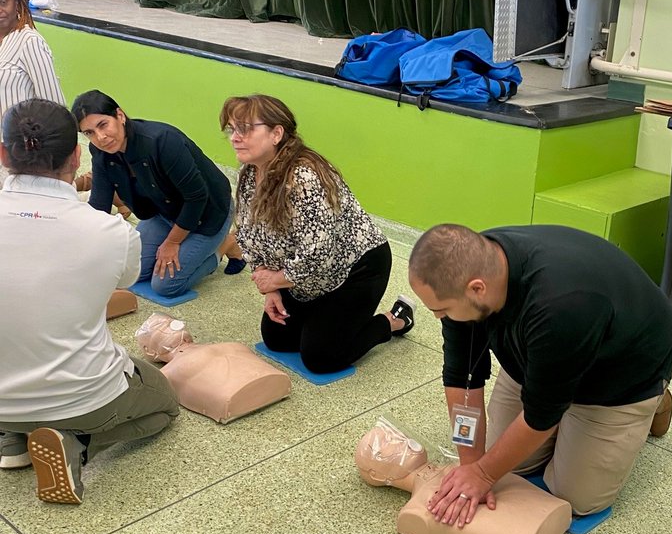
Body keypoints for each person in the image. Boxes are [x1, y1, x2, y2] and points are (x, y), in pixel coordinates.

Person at [407, 223, 672, 528]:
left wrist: (484, 474)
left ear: (477, 288)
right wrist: (472, 465)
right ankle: (558, 402)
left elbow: (541, 414)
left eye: (441, 310)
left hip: (621, 373)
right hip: (541, 361)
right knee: (512, 467)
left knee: (576, 498)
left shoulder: (559, 305)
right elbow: (461, 380)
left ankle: (655, 399)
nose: (437, 317)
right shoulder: (463, 272)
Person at [0, 99, 180, 504]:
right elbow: (126, 280)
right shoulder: (112, 233)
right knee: (164, 406)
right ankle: (77, 443)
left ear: (3, 154)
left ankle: (12, 438)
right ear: (78, 154)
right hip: (83, 398)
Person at [220, 94, 414, 373]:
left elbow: (318, 251)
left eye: (245, 129)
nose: (235, 138)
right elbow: (248, 233)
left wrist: (276, 278)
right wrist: (271, 287)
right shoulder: (250, 172)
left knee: (321, 358)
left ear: (277, 133)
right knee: (277, 338)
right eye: (232, 130)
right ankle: (326, 317)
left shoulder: (306, 177)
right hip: (306, 275)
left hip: (356, 269)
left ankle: (394, 319)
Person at [72, 90, 241, 299]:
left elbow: (197, 197)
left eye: (103, 125)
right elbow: (99, 206)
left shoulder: (162, 141)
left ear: (120, 116)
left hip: (207, 212)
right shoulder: (100, 152)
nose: (100, 137)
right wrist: (82, 256)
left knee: (166, 285)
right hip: (163, 211)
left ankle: (226, 244)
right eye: (89, 133)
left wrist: (172, 243)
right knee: (130, 273)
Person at [0, 0, 65, 177]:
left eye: (3, 2)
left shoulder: (29, 41)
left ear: (18, 3)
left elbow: (54, 104)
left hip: (22, 155)